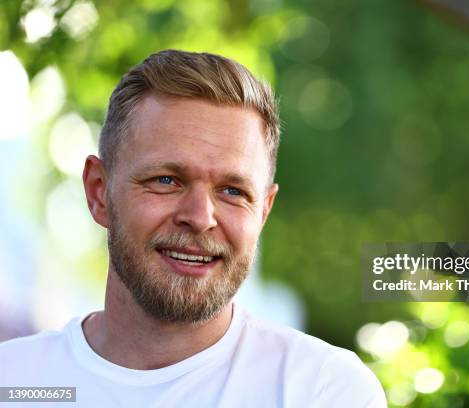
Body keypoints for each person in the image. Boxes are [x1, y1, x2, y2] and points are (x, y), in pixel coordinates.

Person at [0, 50, 386, 407]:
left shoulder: (319, 389)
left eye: (233, 191)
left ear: (263, 212)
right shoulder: (14, 382)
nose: (200, 217)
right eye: (167, 180)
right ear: (99, 192)